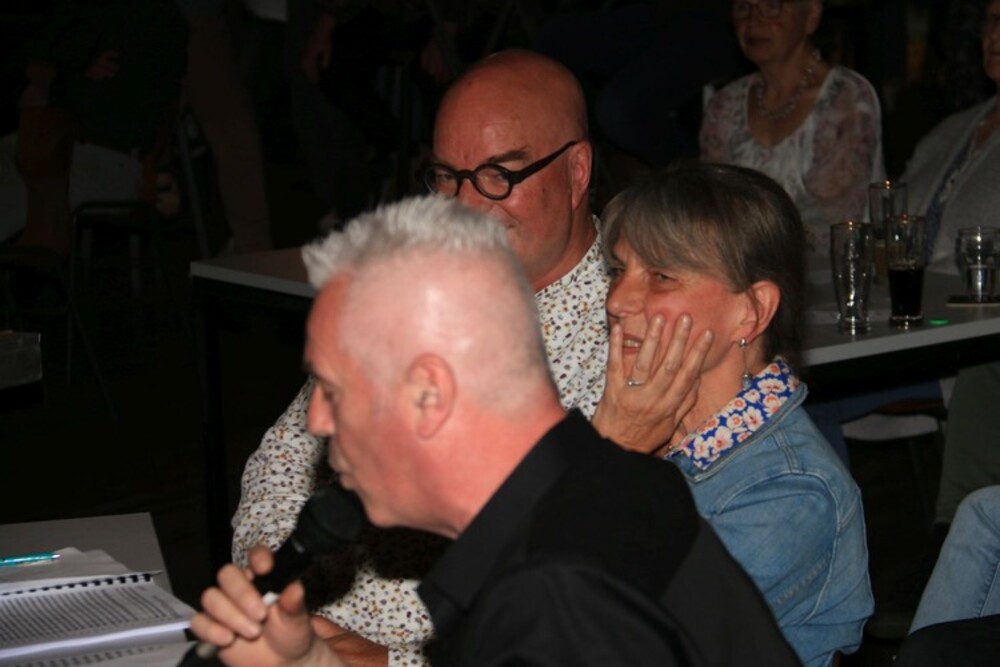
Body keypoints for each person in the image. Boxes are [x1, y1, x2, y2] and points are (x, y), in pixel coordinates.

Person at [232, 49, 709, 664]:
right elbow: (281, 465)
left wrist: (393, 662)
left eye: (498, 176)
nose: (465, 206)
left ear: (577, 171)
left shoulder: (638, 337)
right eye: (446, 177)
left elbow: (589, 605)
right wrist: (282, 598)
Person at [191, 194, 799, 666]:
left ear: (430, 394)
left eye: (333, 389)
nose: (316, 421)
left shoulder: (552, 600)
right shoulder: (608, 483)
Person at [600, 162, 873, 666]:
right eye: (618, 271)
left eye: (661, 276)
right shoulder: (642, 423)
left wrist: (613, 453)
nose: (617, 300)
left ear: (751, 312)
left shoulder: (790, 493)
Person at [902, 0, 1000, 532]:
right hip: (904, 329)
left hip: (971, 342)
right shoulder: (951, 130)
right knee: (792, 387)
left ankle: (963, 545)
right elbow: (887, 225)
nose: (995, 34)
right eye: (991, 19)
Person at [699, 0, 883, 266]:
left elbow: (832, 227)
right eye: (743, 7)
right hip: (741, 272)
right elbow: (712, 213)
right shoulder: (725, 105)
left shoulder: (847, 99)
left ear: (811, 15)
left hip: (832, 277)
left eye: (771, 6)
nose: (754, 20)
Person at [0, 0, 188, 257]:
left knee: (32, 188)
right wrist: (63, 73)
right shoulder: (73, 12)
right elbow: (22, 66)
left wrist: (57, 80)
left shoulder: (151, 18)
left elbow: (113, 114)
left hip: (102, 158)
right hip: (29, 145)